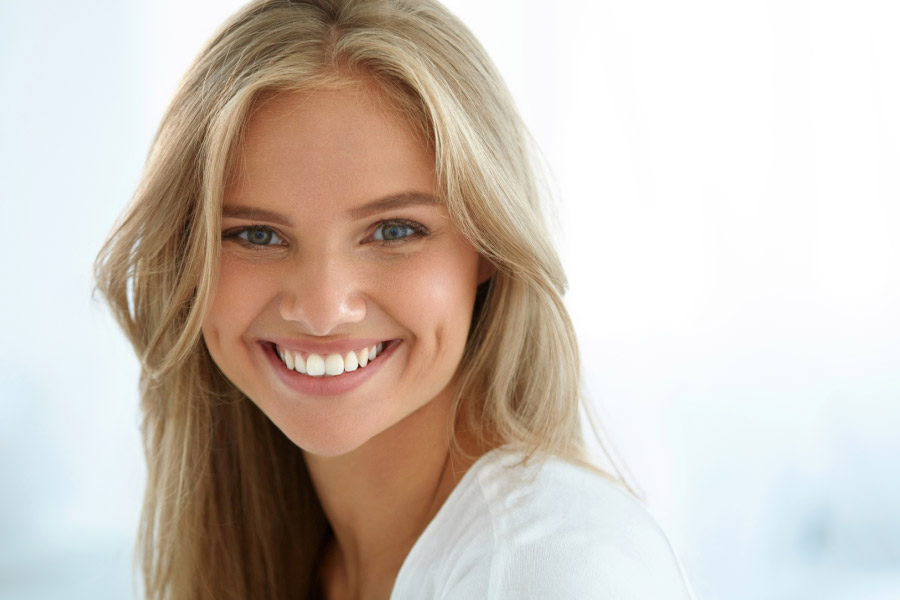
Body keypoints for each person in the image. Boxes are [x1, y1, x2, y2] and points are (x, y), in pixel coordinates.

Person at [95, 0, 698, 598]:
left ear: (489, 247)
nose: (324, 309)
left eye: (393, 231)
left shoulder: (547, 572)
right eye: (256, 235)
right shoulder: (296, 555)